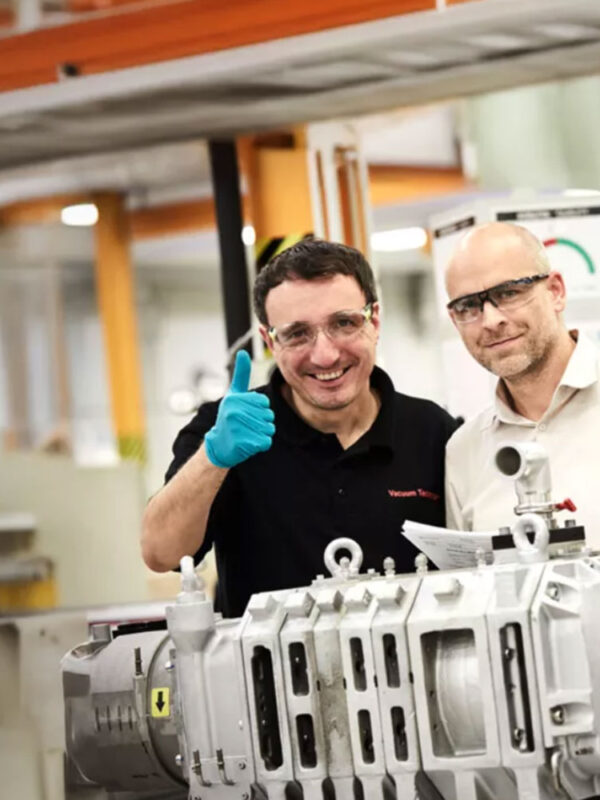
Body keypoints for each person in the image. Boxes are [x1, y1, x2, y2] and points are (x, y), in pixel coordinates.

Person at [142, 239, 458, 617]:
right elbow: (160, 554)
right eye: (297, 333)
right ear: (269, 341)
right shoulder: (224, 430)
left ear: (373, 322)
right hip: (268, 656)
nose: (325, 355)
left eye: (344, 323)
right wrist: (212, 459)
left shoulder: (432, 431)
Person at [444, 222, 600, 543]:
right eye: (468, 306)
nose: (491, 321)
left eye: (509, 293)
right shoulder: (464, 451)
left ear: (555, 291)